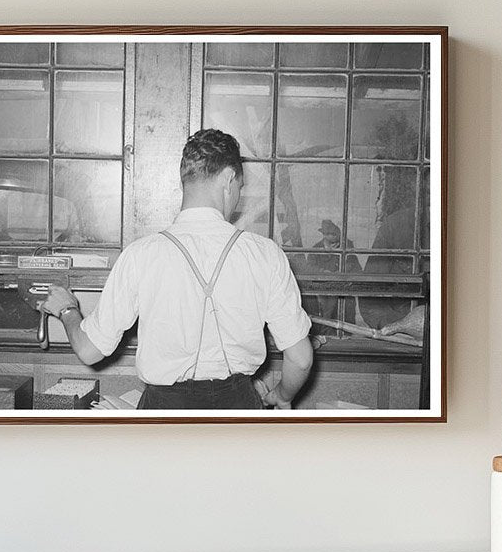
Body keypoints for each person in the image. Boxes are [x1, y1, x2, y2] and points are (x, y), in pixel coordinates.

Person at [37, 129, 315, 410]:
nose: (237, 200)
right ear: (230, 179)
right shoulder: (265, 254)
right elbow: (301, 358)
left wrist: (68, 309)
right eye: (240, 190)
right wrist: (281, 395)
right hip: (238, 408)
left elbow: (89, 350)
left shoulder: (140, 255)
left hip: (164, 415)